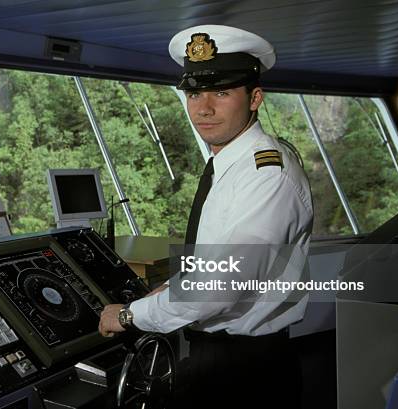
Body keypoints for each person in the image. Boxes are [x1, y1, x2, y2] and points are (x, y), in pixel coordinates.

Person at [98, 25, 313, 408]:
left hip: (246, 370)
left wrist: (131, 316)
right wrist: (171, 288)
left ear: (255, 98)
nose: (204, 108)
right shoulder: (232, 164)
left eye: (222, 92)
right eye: (194, 93)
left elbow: (221, 284)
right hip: (219, 357)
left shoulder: (267, 174)